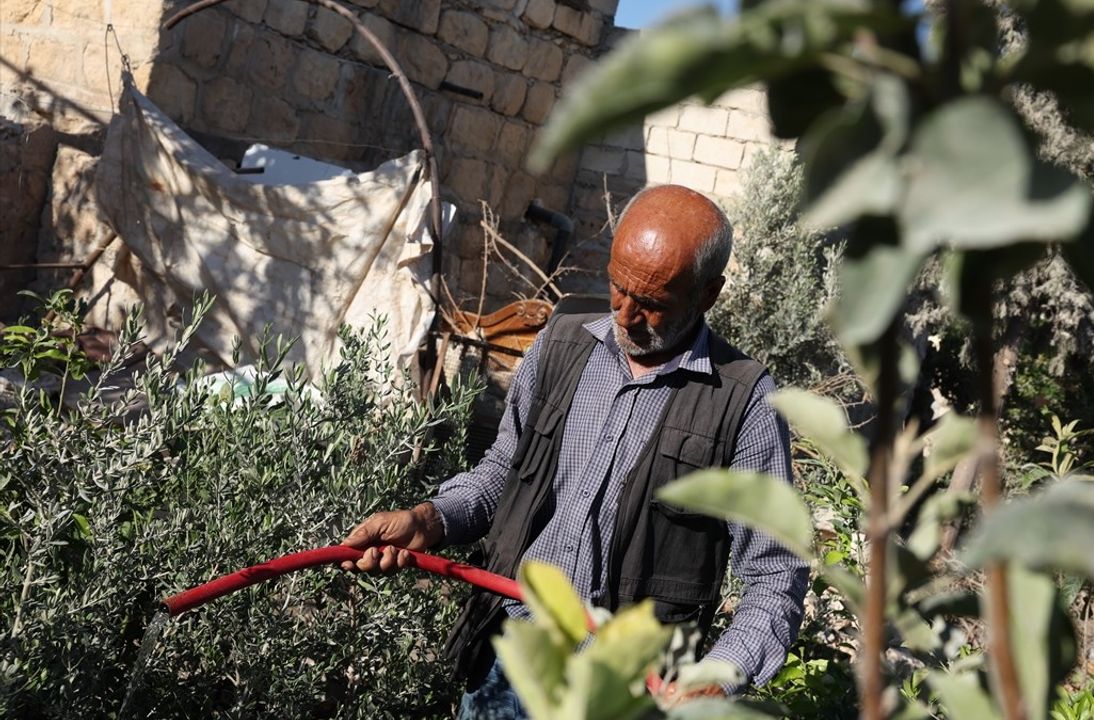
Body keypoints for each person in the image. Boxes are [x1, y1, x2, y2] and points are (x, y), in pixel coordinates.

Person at [341, 184, 809, 718]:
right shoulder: (562, 344)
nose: (625, 315)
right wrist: (429, 519)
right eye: (617, 287)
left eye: (652, 304)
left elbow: (775, 577)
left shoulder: (743, 401)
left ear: (707, 295)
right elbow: (502, 475)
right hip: (508, 661)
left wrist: (716, 679)